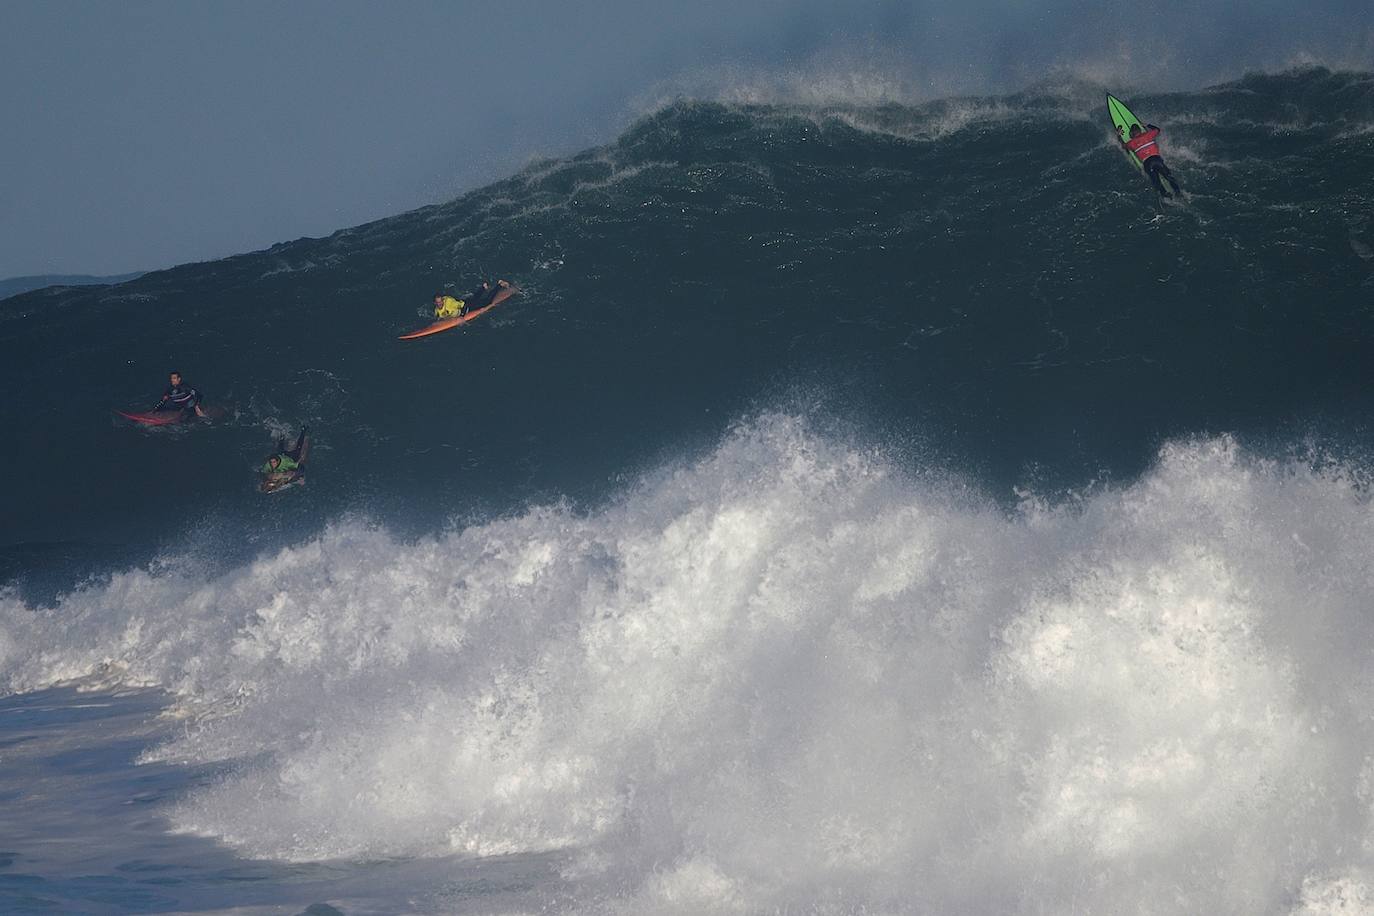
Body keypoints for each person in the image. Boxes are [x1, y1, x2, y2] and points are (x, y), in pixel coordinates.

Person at [1122, 123, 1182, 199]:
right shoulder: (1148, 135)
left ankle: (1166, 196)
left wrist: (1118, 135)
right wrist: (1147, 125)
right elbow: (1157, 129)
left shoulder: (1131, 143)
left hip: (1147, 164)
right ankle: (1178, 192)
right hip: (1157, 160)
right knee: (1169, 177)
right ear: (1140, 131)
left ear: (1132, 133)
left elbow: (1124, 146)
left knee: (1157, 182)